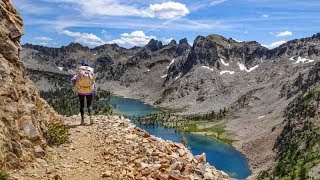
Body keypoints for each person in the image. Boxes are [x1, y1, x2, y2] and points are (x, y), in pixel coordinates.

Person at [71, 61, 96, 125]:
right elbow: (93, 81)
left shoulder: (80, 71)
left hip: (81, 90)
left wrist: (74, 87)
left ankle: (82, 120)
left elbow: (73, 80)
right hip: (89, 90)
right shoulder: (91, 71)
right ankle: (91, 118)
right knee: (89, 105)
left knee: (82, 105)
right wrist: (94, 90)